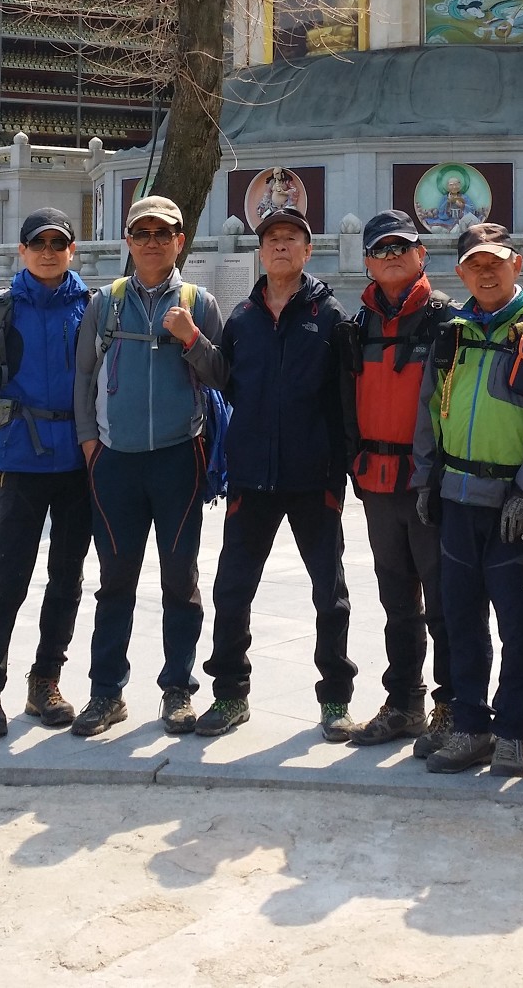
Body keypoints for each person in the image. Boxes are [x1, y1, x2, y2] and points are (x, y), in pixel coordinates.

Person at [195, 207, 356, 740]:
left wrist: (340, 474)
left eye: (291, 238)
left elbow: (346, 400)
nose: (281, 245)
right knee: (232, 590)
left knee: (329, 593)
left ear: (308, 251)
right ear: (260, 252)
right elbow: (225, 385)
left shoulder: (330, 317)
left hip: (314, 479)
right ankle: (229, 694)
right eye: (272, 239)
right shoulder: (242, 318)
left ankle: (335, 699)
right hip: (251, 479)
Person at [412, 221, 523, 777]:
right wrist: (425, 479)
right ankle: (470, 726)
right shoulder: (452, 334)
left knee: (518, 627)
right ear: (460, 273)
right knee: (459, 620)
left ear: (515, 264)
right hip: (456, 497)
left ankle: (513, 732)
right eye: (474, 264)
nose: (486, 272)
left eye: (495, 262)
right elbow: (430, 410)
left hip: (511, 507)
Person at [72, 195, 224, 737]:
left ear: (180, 241)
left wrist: (192, 338)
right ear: (129, 242)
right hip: (115, 462)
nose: (153, 242)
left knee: (180, 579)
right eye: (142, 233)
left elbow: (222, 376)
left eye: (163, 233)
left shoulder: (199, 302)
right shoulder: (105, 302)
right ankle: (105, 692)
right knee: (115, 581)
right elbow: (84, 376)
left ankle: (178, 688)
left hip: (179, 459)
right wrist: (89, 442)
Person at [0, 207, 92, 737]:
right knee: (9, 577)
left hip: (78, 459)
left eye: (58, 243)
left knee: (67, 579)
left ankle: (45, 680)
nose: (48, 252)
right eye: (39, 243)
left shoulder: (92, 307)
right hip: (21, 458)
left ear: (72, 250)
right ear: (22, 251)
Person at [341, 211, 455, 753]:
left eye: (400, 248)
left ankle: (453, 706)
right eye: (380, 250)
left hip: (429, 484)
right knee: (397, 602)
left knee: (445, 602)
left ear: (420, 255)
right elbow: (343, 402)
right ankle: (405, 702)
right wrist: (353, 464)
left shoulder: (447, 322)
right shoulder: (356, 325)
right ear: (366, 261)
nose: (390, 257)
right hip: (377, 483)